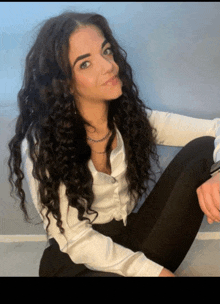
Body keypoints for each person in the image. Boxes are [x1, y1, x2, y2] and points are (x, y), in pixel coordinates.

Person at [8, 11, 220, 277]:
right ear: (64, 82)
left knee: (202, 150)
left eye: (106, 51)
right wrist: (154, 273)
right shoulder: (43, 143)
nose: (108, 66)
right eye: (85, 64)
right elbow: (76, 238)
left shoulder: (132, 121)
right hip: (76, 260)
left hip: (132, 239)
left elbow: (216, 128)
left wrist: (219, 170)